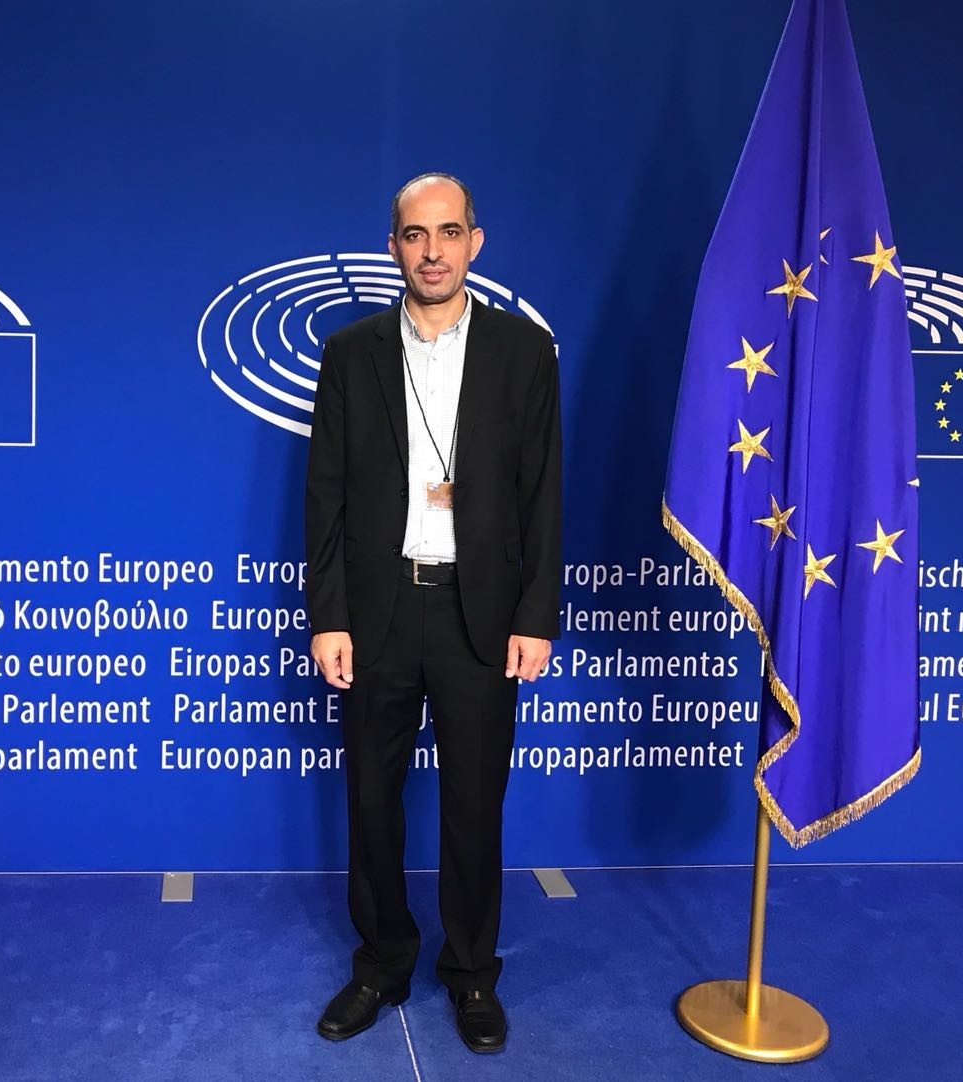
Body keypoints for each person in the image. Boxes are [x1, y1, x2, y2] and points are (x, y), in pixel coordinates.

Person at [303, 172, 562, 1054]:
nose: (433, 251)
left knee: (474, 807)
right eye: (416, 235)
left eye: (449, 232)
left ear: (474, 243)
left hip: (478, 615)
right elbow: (325, 495)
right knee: (372, 802)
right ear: (394, 248)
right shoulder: (352, 353)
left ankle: (472, 974)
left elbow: (544, 494)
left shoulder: (525, 351)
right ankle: (381, 964)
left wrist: (536, 614)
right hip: (377, 611)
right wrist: (328, 616)